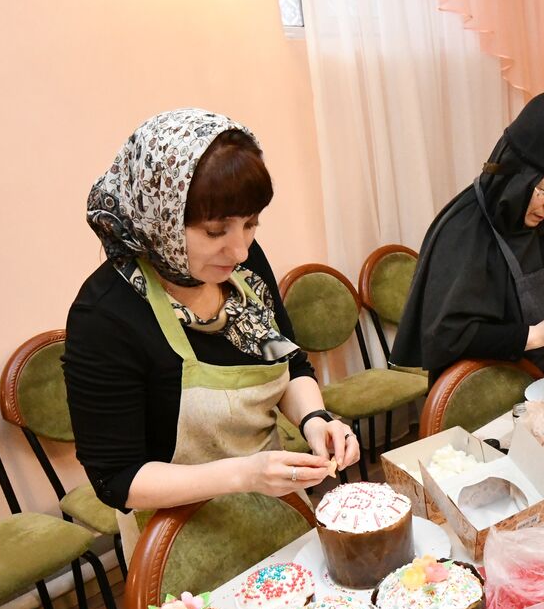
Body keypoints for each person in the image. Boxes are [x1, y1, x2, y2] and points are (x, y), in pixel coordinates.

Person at [66, 108, 359, 554]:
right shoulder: (106, 316)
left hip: (278, 512)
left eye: (251, 223)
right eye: (215, 230)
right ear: (158, 215)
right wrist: (245, 474)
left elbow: (288, 360)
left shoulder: (242, 267)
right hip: (179, 546)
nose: (240, 249)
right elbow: (118, 479)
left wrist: (315, 420)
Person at [393, 90, 544, 380]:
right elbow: (448, 336)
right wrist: (535, 334)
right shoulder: (464, 230)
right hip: (480, 394)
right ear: (518, 177)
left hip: (542, 380)